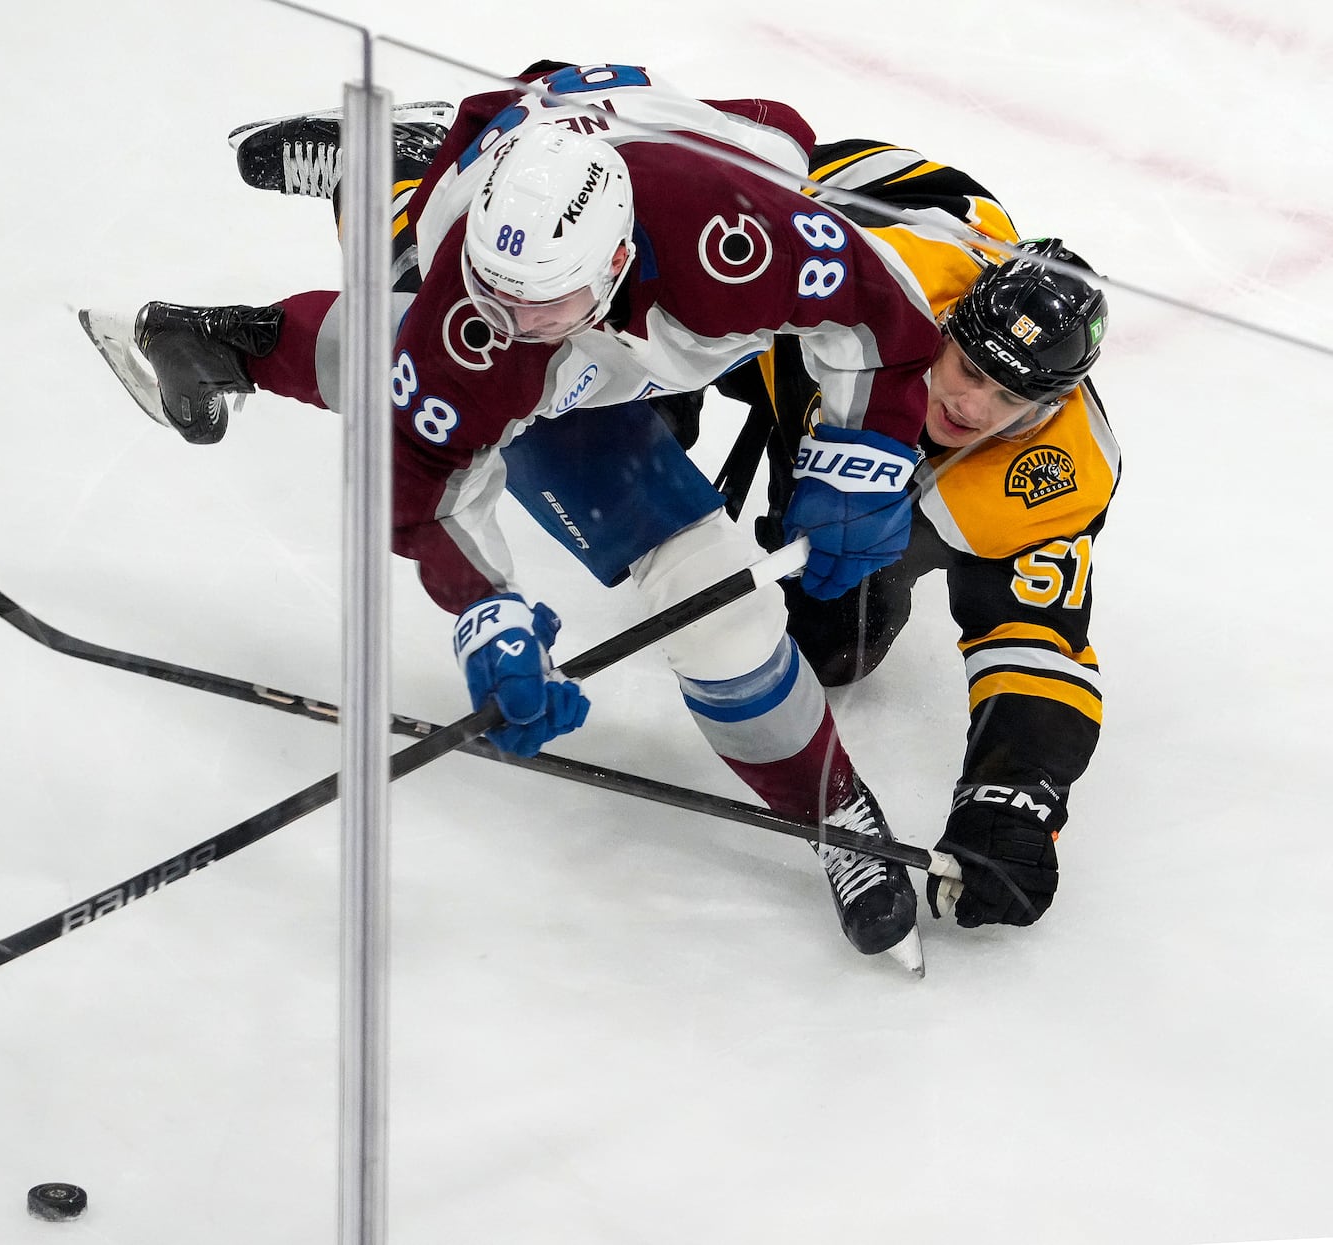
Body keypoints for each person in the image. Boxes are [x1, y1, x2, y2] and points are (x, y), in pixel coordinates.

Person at [99, 65, 948, 968]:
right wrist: (485, 610)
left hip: (691, 152)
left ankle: (384, 163)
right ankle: (377, 184)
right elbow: (420, 478)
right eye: (492, 291)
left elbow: (882, 323)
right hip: (504, 184)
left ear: (616, 261)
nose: (504, 319)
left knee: (777, 144)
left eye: (537, 301)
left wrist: (866, 454)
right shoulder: (480, 310)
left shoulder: (740, 241)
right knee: (704, 596)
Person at [705, 139, 1117, 931]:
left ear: (1049, 408)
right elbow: (696, 241)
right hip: (815, 203)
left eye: (1008, 398)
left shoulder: (1057, 472)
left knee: (826, 647)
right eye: (965, 367)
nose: (970, 405)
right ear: (947, 328)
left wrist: (1013, 797)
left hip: (835, 381)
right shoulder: (866, 286)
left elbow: (1036, 638)